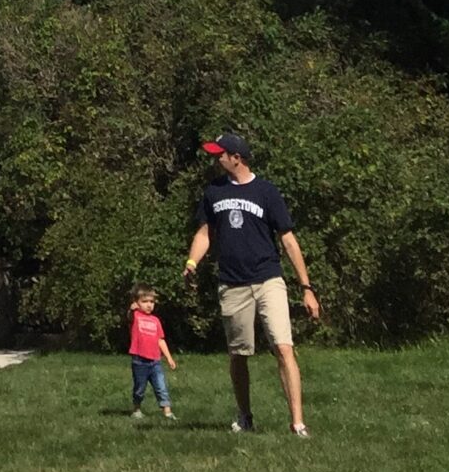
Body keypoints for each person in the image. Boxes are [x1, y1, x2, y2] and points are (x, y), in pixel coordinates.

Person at [183, 130, 320, 436]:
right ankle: (245, 416)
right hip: (232, 284)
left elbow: (288, 240)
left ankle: (297, 422)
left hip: (268, 278)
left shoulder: (267, 192)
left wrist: (306, 288)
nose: (216, 159)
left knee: (284, 347)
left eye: (221, 154)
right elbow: (205, 234)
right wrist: (192, 263)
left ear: (237, 158)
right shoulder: (213, 192)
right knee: (238, 354)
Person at [127, 285, 177, 422]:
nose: (149, 305)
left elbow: (160, 340)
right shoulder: (135, 316)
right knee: (139, 388)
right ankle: (136, 409)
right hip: (139, 360)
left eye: (151, 302)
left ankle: (167, 412)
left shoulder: (156, 321)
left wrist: (169, 358)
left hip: (155, 361)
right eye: (144, 301)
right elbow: (129, 316)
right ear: (136, 302)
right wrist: (132, 309)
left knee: (161, 387)